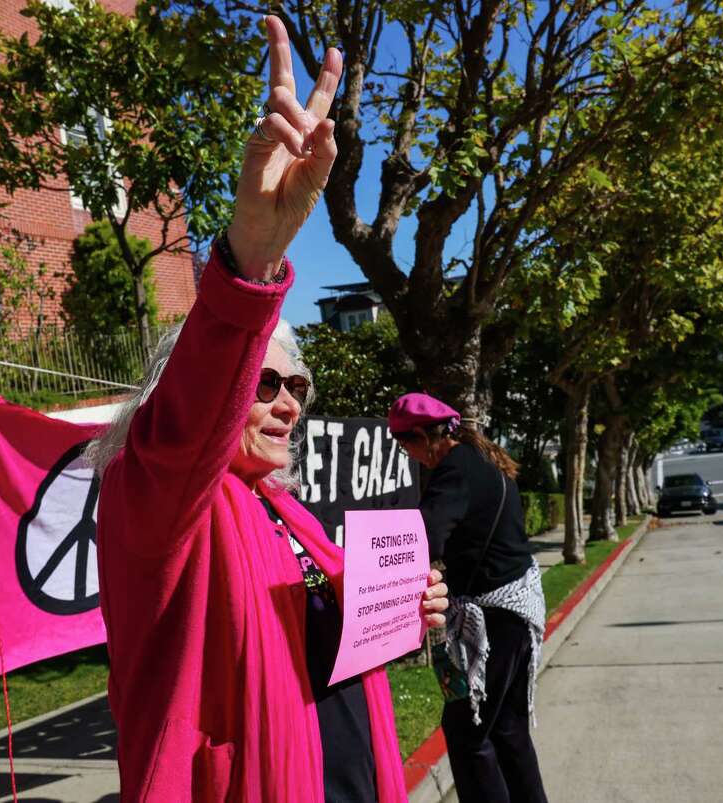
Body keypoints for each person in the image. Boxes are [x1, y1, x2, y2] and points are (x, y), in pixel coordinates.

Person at [85, 18, 448, 803]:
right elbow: (193, 418)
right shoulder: (160, 497)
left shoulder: (287, 511)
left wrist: (403, 608)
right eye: (265, 383)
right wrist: (256, 250)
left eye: (299, 387)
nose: (288, 403)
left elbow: (339, 638)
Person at [388, 392, 549, 803]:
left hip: (496, 617)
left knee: (467, 734)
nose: (407, 454)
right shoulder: (483, 461)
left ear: (424, 435)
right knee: (508, 729)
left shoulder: (455, 469)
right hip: (519, 609)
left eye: (404, 444)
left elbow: (423, 536)